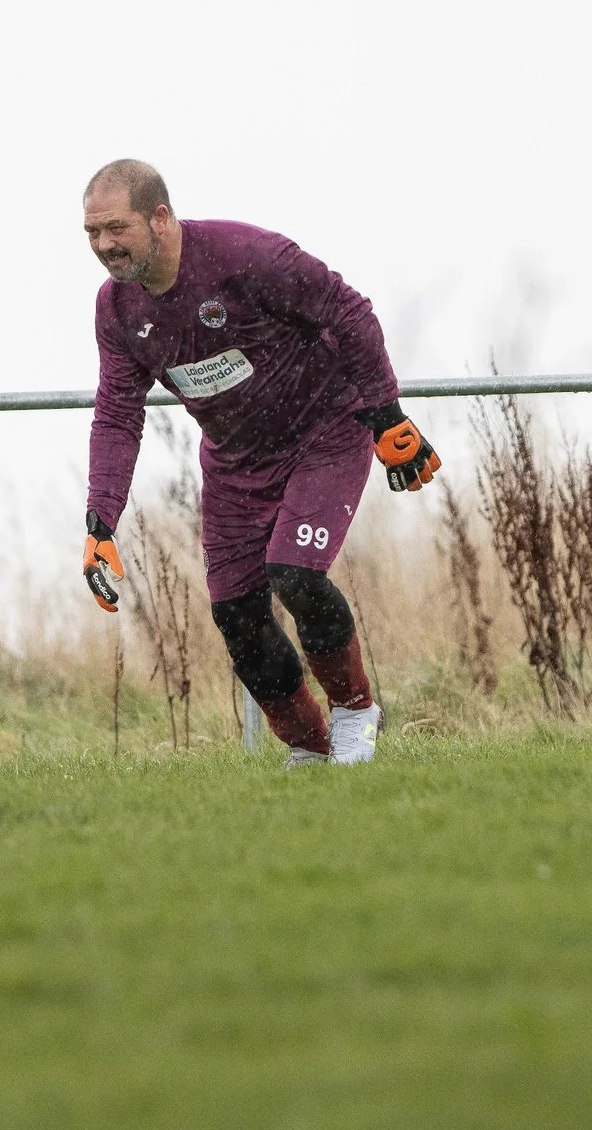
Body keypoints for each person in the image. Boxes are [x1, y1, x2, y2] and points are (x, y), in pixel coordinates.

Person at [79, 159, 439, 765]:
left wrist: (386, 416)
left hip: (324, 432)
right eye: (92, 233)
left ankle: (355, 713)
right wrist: (100, 524)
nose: (104, 245)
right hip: (234, 465)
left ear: (160, 219)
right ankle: (311, 753)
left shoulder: (245, 255)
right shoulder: (116, 310)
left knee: (295, 573)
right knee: (237, 616)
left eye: (116, 227)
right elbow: (117, 411)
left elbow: (347, 309)